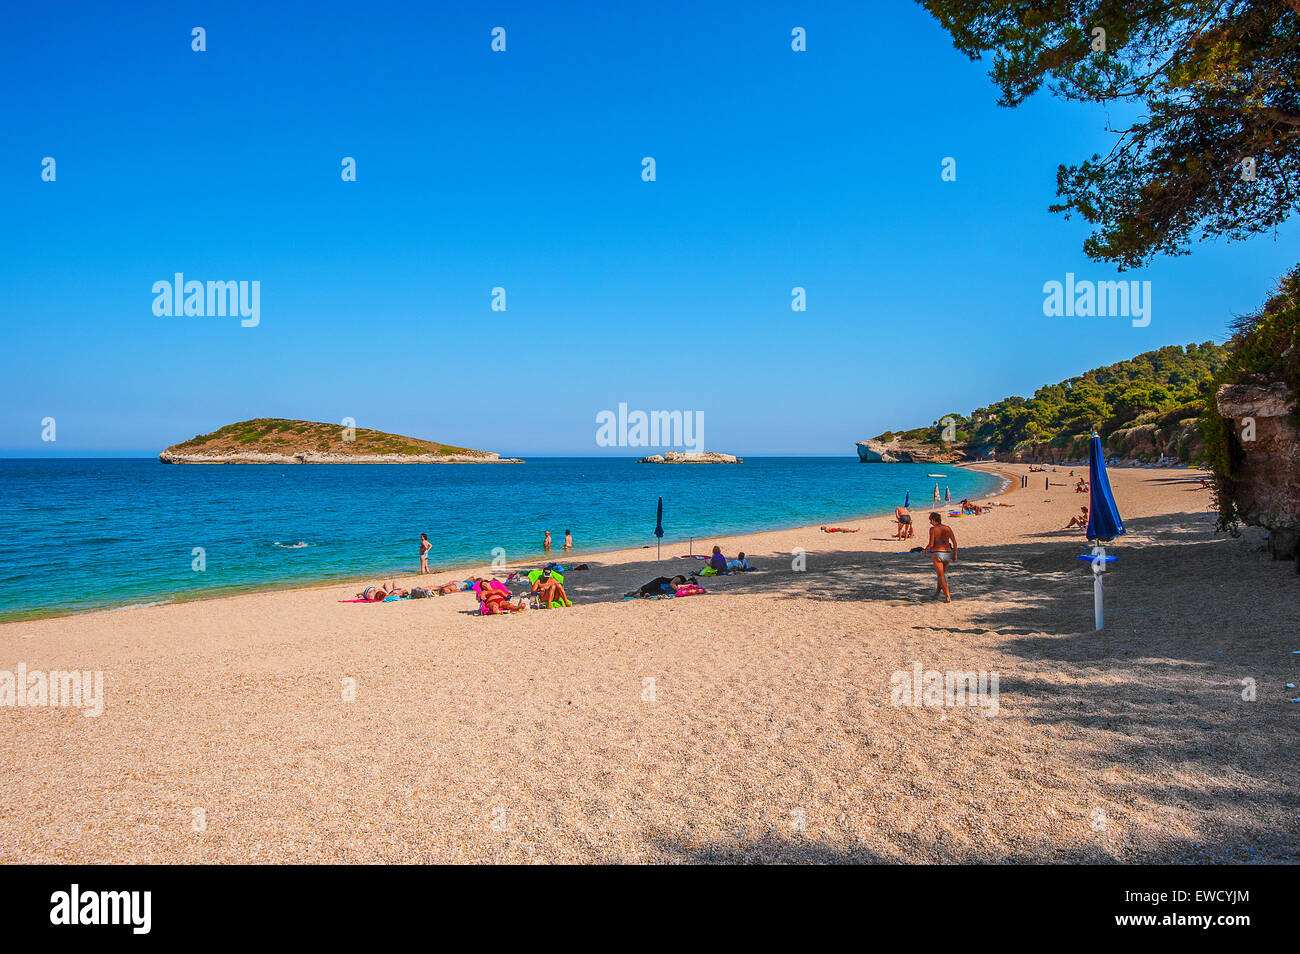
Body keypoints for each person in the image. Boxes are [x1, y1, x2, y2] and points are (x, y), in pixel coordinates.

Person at [922, 513, 956, 603]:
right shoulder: (948, 528)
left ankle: (948, 597)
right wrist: (955, 554)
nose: (930, 522)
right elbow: (954, 543)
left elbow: (931, 544)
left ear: (934, 520)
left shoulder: (932, 529)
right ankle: (937, 593)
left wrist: (925, 550)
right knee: (941, 575)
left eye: (930, 520)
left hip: (937, 554)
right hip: (948, 553)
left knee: (941, 576)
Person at [625, 574, 692, 598]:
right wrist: (679, 590)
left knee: (645, 594)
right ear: (688, 580)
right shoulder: (681, 578)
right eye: (689, 582)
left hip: (663, 589)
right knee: (643, 589)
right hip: (660, 582)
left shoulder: (685, 587)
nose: (688, 584)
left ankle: (637, 594)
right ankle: (633, 593)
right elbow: (672, 584)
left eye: (690, 584)